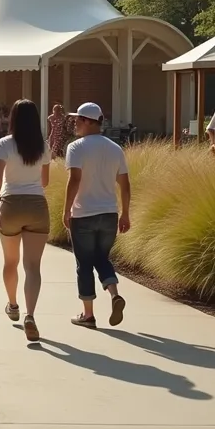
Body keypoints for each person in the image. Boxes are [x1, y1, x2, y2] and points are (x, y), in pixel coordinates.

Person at [63, 102, 131, 329]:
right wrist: (125, 214)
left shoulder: (76, 147)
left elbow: (74, 180)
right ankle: (114, 294)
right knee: (102, 258)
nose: (74, 123)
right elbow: (125, 184)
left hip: (83, 214)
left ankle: (88, 314)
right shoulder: (115, 148)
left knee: (84, 264)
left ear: (87, 121)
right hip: (109, 213)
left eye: (77, 119)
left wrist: (66, 210)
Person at [0, 99, 51, 342]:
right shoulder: (43, 146)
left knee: (10, 261)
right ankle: (31, 315)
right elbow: (45, 182)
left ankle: (13, 305)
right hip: (37, 206)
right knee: (33, 266)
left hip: (11, 205)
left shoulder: (5, 144)